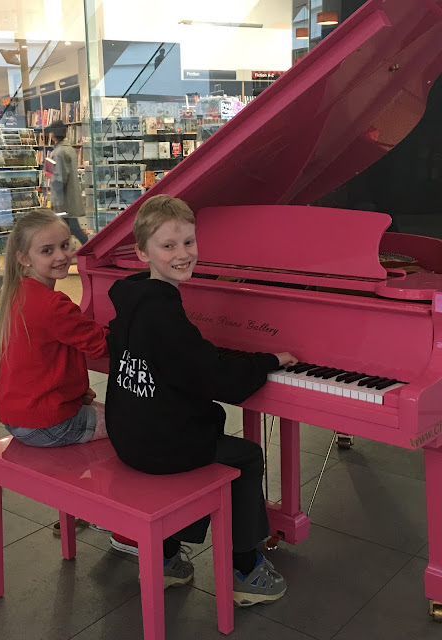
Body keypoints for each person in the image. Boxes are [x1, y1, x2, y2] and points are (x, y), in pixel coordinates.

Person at [105, 194, 298, 605]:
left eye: (189, 243)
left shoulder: (132, 299)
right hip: (158, 447)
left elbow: (184, 361)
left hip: (130, 435)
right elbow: (216, 380)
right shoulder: (163, 314)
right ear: (143, 252)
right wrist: (265, 359)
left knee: (208, 435)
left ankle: (168, 555)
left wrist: (216, 356)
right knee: (246, 456)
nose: (182, 254)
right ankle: (245, 569)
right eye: (168, 246)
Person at [0, 208, 108, 448]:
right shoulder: (53, 305)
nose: (61, 256)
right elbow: (102, 345)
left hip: (17, 417)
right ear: (24, 258)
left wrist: (75, 392)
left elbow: (42, 361)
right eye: (48, 250)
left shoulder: (16, 294)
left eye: (65, 246)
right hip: (47, 423)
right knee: (136, 420)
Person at [48, 120, 87, 247]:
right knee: (71, 228)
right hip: (69, 197)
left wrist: (49, 174)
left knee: (69, 229)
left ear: (53, 134)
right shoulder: (69, 149)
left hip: (62, 199)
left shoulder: (57, 152)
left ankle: (90, 249)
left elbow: (58, 178)